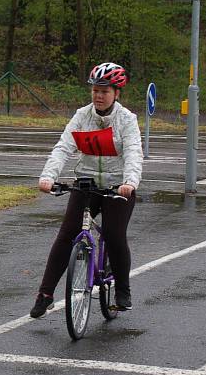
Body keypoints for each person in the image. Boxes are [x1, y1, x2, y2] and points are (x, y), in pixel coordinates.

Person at [30, 62, 143, 319]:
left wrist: (130, 182)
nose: (99, 96)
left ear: (117, 93)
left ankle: (122, 290)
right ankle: (45, 294)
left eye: (104, 91)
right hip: (87, 183)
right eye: (95, 90)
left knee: (114, 235)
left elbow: (134, 153)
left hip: (118, 186)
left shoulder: (126, 120)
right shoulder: (82, 116)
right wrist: (48, 176)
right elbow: (63, 147)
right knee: (66, 234)